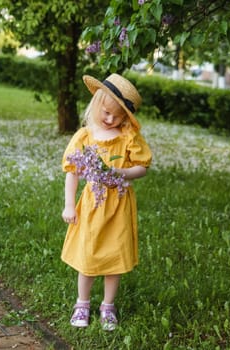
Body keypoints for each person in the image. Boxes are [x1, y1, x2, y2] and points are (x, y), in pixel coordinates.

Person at [61, 73, 152, 331]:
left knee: (115, 256)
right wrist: (69, 204)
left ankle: (108, 306)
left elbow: (142, 167)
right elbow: (73, 171)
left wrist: (121, 173)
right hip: (93, 204)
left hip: (119, 204)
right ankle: (83, 302)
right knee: (89, 255)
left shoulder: (128, 136)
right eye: (106, 112)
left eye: (117, 116)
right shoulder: (85, 136)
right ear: (96, 104)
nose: (110, 119)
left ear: (126, 117)